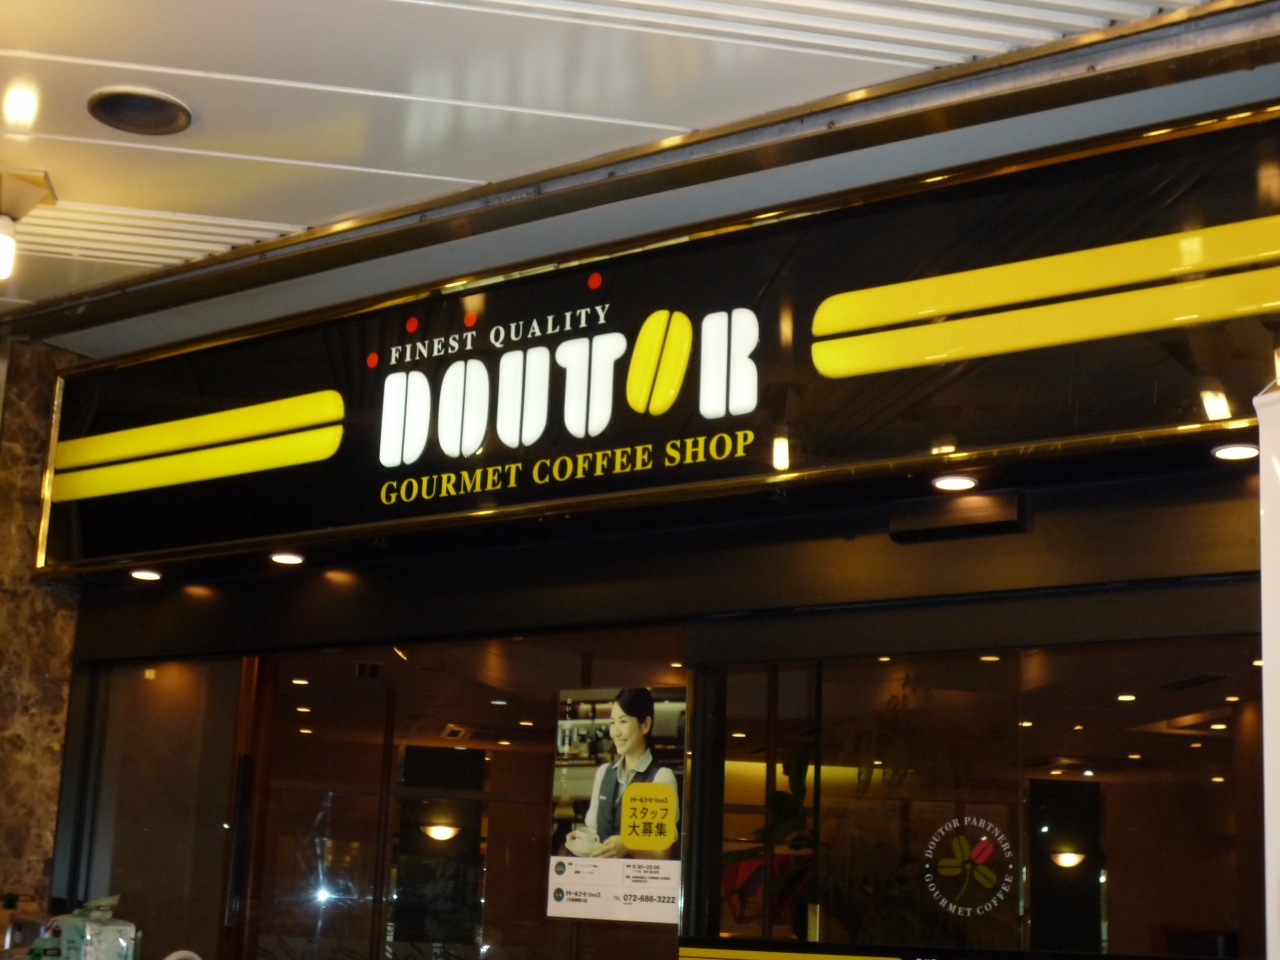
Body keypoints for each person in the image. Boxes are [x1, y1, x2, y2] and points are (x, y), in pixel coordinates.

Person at [572, 688, 679, 859]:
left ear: (645, 725)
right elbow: (594, 832)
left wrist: (629, 847)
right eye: (612, 722)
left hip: (636, 876)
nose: (615, 732)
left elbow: (664, 854)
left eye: (623, 721)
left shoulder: (661, 778)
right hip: (601, 874)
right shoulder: (603, 773)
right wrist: (580, 838)